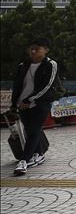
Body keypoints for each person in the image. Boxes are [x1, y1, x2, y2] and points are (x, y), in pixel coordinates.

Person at [10, 38, 61, 176]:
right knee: (29, 130)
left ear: (46, 50)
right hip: (22, 104)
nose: (33, 51)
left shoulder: (50, 64)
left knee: (34, 130)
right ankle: (39, 153)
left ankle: (23, 161)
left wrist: (30, 99)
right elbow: (17, 86)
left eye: (37, 49)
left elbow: (47, 85)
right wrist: (14, 103)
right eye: (31, 49)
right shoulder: (23, 65)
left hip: (40, 103)